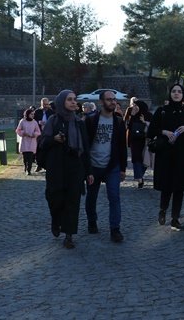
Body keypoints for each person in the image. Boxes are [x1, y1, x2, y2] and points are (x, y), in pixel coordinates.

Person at [39, 90, 93, 249]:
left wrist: (88, 171)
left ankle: (69, 235)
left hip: (75, 167)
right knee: (55, 199)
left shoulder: (79, 123)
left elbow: (86, 148)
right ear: (62, 101)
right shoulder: (53, 121)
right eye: (69, 99)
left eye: (74, 99)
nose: (73, 102)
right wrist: (54, 139)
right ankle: (56, 220)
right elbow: (43, 143)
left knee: (73, 201)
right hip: (56, 167)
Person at [147, 84, 184, 231]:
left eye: (179, 92)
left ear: (183, 95)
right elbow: (151, 131)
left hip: (182, 155)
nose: (176, 94)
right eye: (174, 91)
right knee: (166, 186)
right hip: (165, 154)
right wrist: (164, 132)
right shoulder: (162, 111)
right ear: (169, 93)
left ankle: (175, 218)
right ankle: (163, 209)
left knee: (179, 188)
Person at [84, 90, 128, 243]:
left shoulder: (119, 121)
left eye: (114, 99)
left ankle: (115, 229)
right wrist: (86, 168)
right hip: (94, 165)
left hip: (112, 166)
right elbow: (85, 146)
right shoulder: (90, 120)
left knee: (114, 197)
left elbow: (123, 146)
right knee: (91, 196)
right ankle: (92, 221)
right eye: (109, 99)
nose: (113, 102)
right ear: (101, 102)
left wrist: (123, 168)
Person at [125, 98, 151, 187]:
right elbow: (128, 127)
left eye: (136, 105)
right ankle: (139, 178)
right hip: (134, 141)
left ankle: (140, 175)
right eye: (134, 105)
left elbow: (153, 127)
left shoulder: (148, 115)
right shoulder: (133, 114)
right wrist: (132, 116)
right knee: (136, 159)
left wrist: (144, 122)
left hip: (145, 140)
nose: (134, 107)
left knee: (145, 160)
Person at [16, 108, 42, 175]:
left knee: (30, 157)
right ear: (27, 114)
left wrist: (34, 134)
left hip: (32, 142)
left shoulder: (34, 122)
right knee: (25, 157)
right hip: (24, 141)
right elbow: (18, 130)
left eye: (33, 114)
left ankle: (29, 170)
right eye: (31, 114)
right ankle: (25, 167)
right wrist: (23, 133)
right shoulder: (22, 121)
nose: (33, 115)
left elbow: (38, 131)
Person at [32, 98, 54, 173]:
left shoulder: (51, 112)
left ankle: (47, 165)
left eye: (47, 104)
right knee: (38, 149)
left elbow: (54, 122)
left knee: (48, 149)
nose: (45, 106)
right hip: (39, 133)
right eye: (44, 104)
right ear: (41, 104)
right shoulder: (37, 112)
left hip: (48, 133)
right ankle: (39, 164)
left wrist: (47, 123)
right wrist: (39, 122)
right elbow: (33, 120)